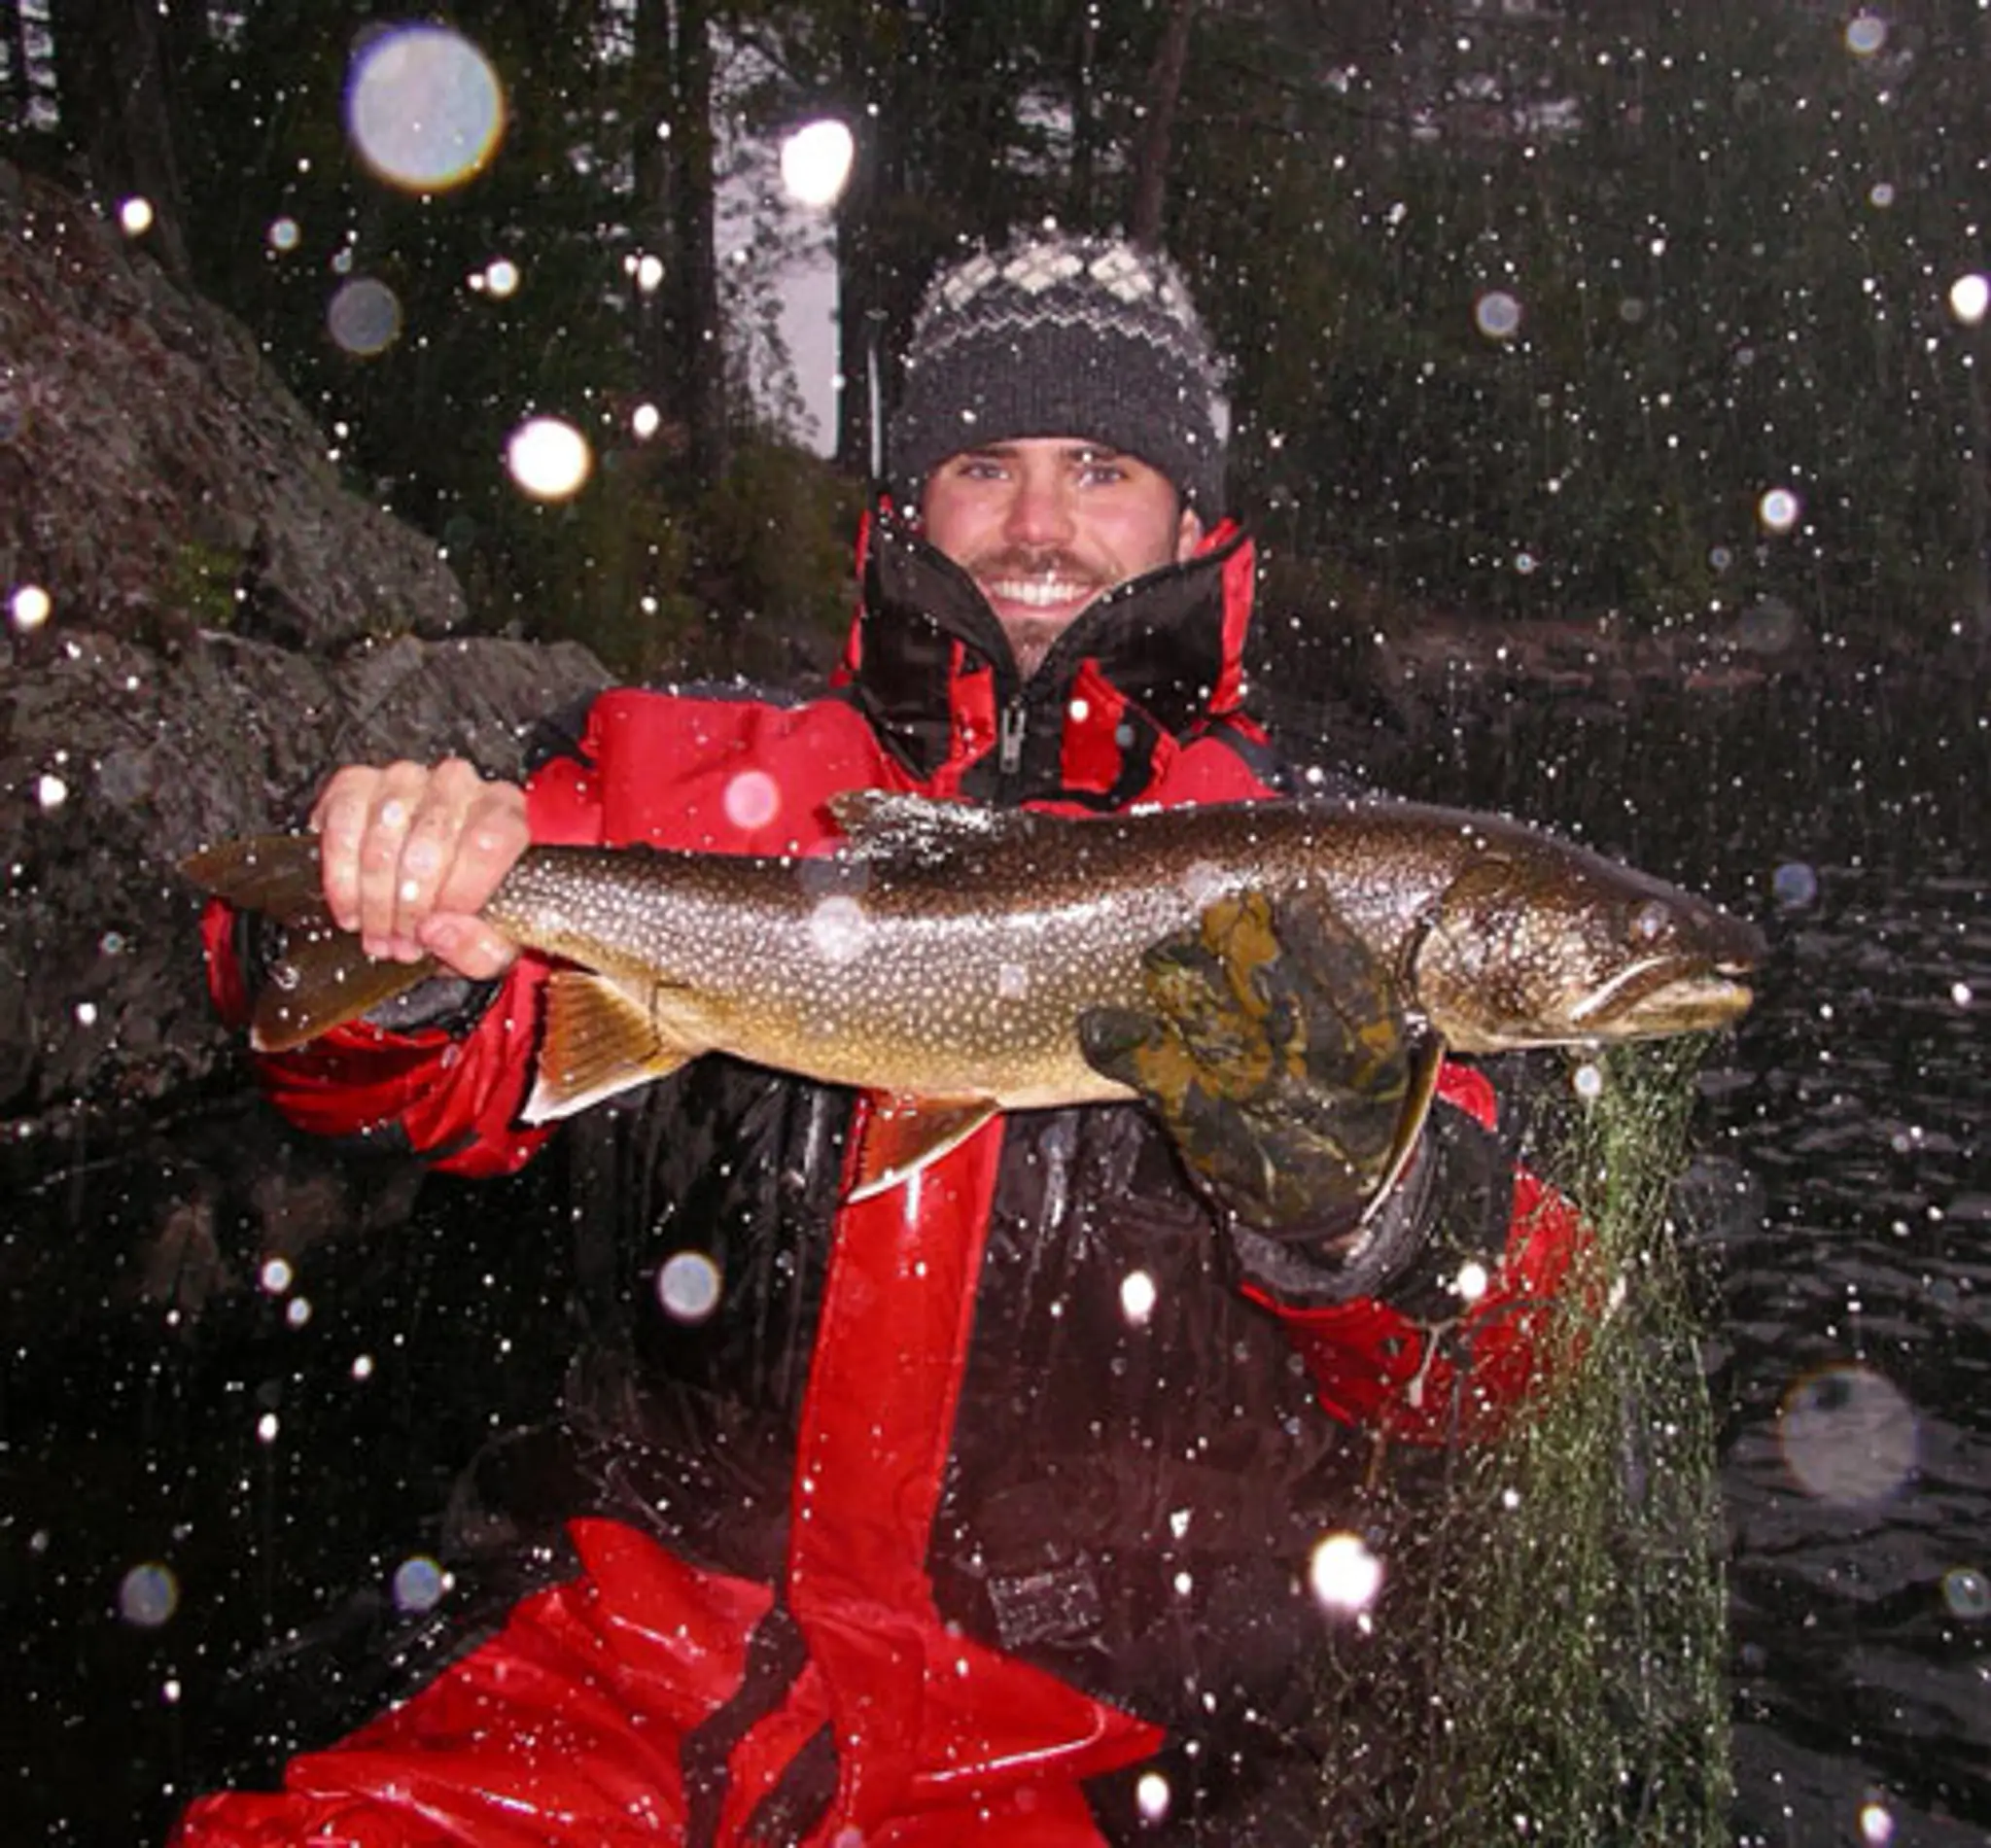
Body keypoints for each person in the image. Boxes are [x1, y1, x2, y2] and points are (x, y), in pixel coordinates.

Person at [176, 231, 1584, 1846]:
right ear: (913, 501)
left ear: (1194, 522)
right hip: (608, 1686)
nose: (1040, 526)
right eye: (987, 464)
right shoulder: (673, 781)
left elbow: (1505, 1368)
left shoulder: (1325, 882)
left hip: (1101, 1756)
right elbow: (369, 1059)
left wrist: (1375, 1215)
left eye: (1102, 469)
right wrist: (379, 913)